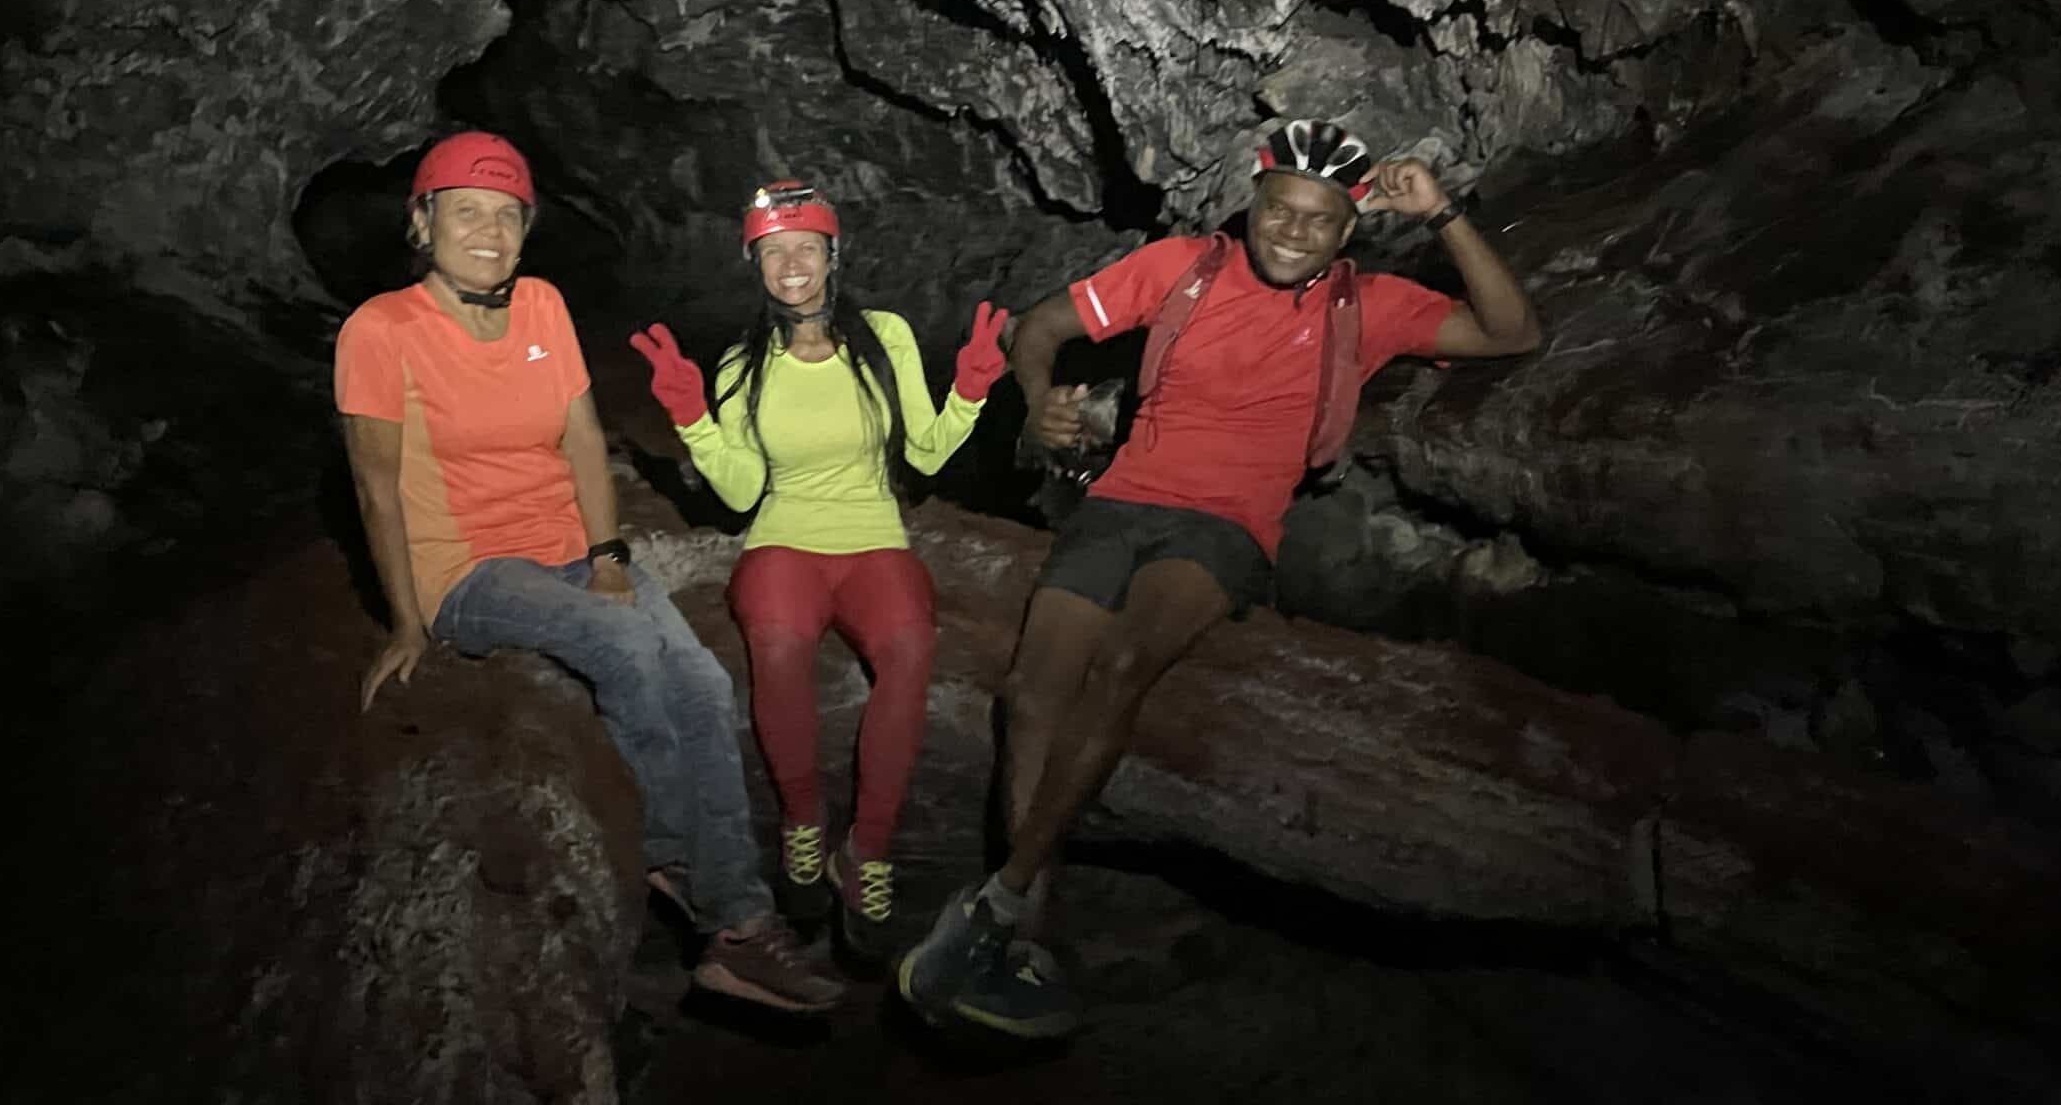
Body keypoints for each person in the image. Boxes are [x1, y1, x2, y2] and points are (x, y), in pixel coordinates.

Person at [896, 120, 1543, 1037]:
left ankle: (998, 902)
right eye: (1280, 211)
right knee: (1031, 692)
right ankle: (1022, 937)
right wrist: (1041, 400)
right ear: (1254, 205)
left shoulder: (1374, 305)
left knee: (1122, 667)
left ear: (1345, 231)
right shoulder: (1181, 268)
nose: (1293, 232)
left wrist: (1444, 213)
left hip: (1228, 527)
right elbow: (1038, 327)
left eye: (1318, 221)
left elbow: (1513, 333)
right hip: (1118, 504)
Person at [338, 131, 843, 1015]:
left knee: (698, 680)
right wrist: (409, 621)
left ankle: (739, 929)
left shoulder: (539, 306)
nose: (490, 232)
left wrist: (609, 555)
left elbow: (579, 437)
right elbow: (375, 488)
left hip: (568, 543)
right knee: (619, 642)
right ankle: (679, 862)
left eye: (507, 215)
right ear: (423, 223)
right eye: (467, 212)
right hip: (467, 569)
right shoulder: (381, 330)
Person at [630, 180, 1008, 959]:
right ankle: (804, 823)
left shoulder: (886, 336)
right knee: (777, 644)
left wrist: (969, 392)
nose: (792, 264)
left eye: (806, 247)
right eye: (774, 252)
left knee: (909, 649)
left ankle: (865, 850)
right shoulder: (744, 361)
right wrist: (693, 417)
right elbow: (738, 492)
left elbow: (926, 451)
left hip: (873, 533)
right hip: (784, 536)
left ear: (834, 255)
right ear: (755, 264)